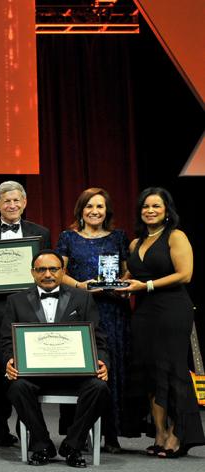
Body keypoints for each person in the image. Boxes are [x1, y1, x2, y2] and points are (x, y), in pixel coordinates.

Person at [0, 249, 110, 468]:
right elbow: (6, 340)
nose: (47, 274)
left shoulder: (83, 298)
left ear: (63, 271)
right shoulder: (16, 301)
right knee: (17, 386)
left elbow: (98, 338)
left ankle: (73, 444)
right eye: (41, 269)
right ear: (32, 273)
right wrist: (9, 361)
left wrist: (103, 362)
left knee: (99, 387)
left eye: (53, 269)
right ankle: (41, 444)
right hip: (35, 373)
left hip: (74, 372)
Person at [119, 187, 205, 457]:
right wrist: (117, 284)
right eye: (145, 206)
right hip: (143, 312)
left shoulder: (176, 236)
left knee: (172, 371)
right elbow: (128, 277)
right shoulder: (135, 243)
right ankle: (159, 433)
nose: (150, 211)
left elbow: (185, 274)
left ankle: (180, 435)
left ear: (167, 210)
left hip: (172, 309)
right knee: (149, 373)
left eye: (156, 206)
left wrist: (147, 285)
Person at [0, 180, 51, 450]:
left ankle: (28, 429)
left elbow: (48, 272)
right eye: (6, 201)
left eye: (17, 200)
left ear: (25, 203)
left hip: (31, 310)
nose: (12, 205)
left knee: (29, 370)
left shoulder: (40, 233)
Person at [56, 188, 130, 450]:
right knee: (82, 368)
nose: (94, 211)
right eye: (89, 206)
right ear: (81, 210)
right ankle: (80, 431)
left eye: (99, 206)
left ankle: (111, 434)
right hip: (79, 309)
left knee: (112, 369)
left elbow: (126, 270)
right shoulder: (68, 237)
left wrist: (121, 283)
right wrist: (81, 286)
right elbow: (58, 272)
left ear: (107, 210)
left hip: (113, 309)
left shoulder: (119, 237)